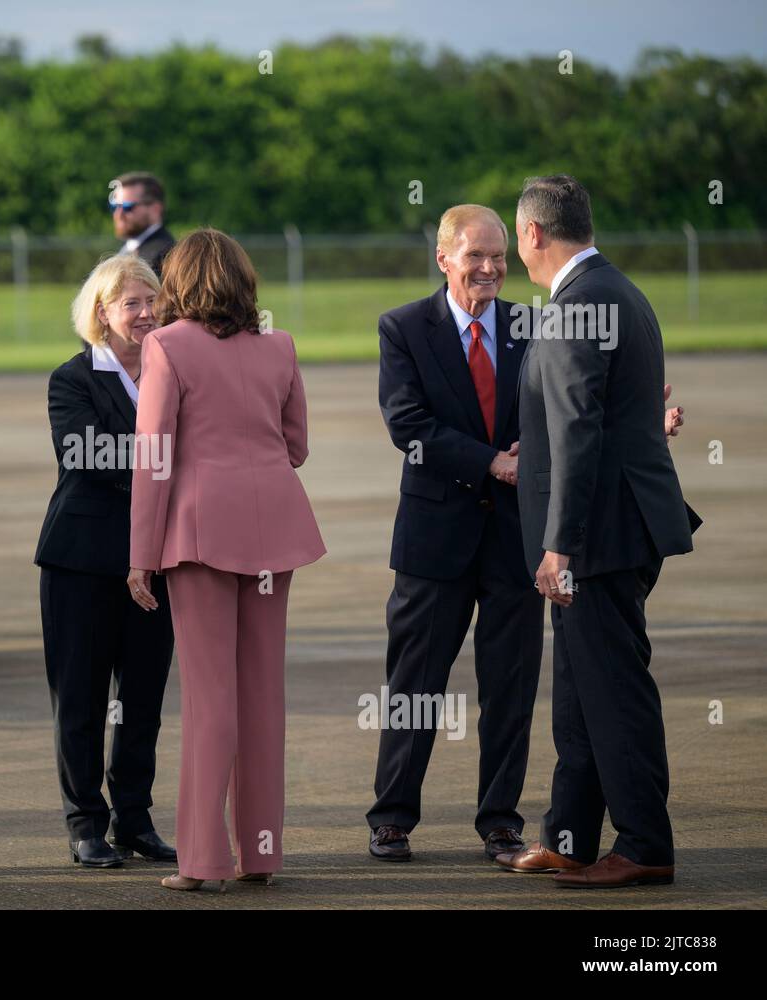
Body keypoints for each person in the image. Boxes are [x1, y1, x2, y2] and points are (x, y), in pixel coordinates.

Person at [497, 175, 700, 888]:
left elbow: (580, 428)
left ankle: (644, 844)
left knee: (612, 689)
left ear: (532, 235)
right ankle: (572, 834)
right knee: (581, 688)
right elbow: (603, 415)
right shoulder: (618, 291)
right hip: (617, 521)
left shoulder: (581, 307)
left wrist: (561, 543)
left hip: (598, 536)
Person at [129, 228, 326, 891]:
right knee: (262, 695)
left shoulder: (165, 346)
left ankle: (203, 861)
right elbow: (296, 444)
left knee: (211, 701)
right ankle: (261, 853)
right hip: (275, 524)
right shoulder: (279, 346)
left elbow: (153, 458)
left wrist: (140, 554)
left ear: (178, 283)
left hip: (200, 532)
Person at [368, 204, 543, 864]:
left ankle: (501, 821)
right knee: (415, 685)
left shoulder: (535, 324)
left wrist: (643, 416)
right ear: (444, 257)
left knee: (512, 685)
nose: (492, 267)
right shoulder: (406, 328)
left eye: (499, 255)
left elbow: (571, 401)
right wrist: (492, 461)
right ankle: (391, 817)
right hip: (434, 539)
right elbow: (407, 424)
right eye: (476, 255)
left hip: (517, 538)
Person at [36, 255, 177, 869]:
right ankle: (84, 823)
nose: (146, 314)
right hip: (83, 561)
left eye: (153, 302)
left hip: (161, 559)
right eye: (131, 304)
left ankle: (134, 820)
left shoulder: (175, 370)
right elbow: (86, 453)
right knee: (82, 699)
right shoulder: (72, 379)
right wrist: (167, 459)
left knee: (143, 698)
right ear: (102, 312)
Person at [110, 172, 175, 277]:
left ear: (155, 209)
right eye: (114, 207)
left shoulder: (166, 255)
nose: (118, 214)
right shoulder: (128, 247)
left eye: (127, 207)